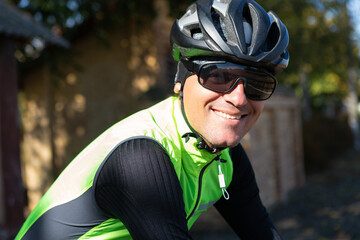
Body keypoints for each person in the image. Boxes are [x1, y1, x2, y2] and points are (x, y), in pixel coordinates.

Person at [16, 0, 289, 239]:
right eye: (218, 76)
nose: (239, 99)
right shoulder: (140, 158)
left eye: (258, 84)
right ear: (180, 81)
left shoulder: (226, 158)